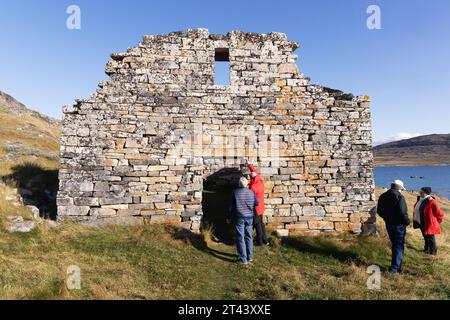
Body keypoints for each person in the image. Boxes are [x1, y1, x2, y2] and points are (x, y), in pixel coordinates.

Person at [377, 180, 410, 273]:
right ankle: (395, 269)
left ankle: (397, 266)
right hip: (399, 225)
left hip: (389, 223)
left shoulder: (383, 196)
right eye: (401, 189)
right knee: (398, 246)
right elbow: (403, 212)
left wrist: (386, 218)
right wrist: (407, 222)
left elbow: (379, 211)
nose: (401, 191)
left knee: (395, 245)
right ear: (399, 188)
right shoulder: (399, 196)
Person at [227, 177, 259, 265]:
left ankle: (243, 258)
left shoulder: (235, 192)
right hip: (249, 217)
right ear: (247, 184)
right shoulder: (251, 192)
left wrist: (228, 217)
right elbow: (256, 203)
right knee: (249, 236)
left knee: (240, 237)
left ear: (239, 184)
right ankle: (250, 257)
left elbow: (231, 206)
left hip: (239, 217)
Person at [413, 187, 444, 255]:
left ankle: (433, 252)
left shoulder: (431, 201)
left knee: (431, 238)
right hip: (421, 222)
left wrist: (437, 222)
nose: (420, 193)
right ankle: (426, 249)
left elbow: (439, 213)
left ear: (426, 193)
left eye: (421, 192)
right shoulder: (420, 200)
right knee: (425, 236)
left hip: (429, 223)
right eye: (420, 192)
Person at [246, 159, 268, 246]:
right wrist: (249, 164)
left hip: (256, 208)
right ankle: (265, 240)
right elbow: (254, 171)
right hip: (261, 206)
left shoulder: (253, 187)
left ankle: (260, 241)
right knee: (261, 223)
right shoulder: (259, 180)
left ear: (251, 178)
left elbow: (250, 197)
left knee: (257, 224)